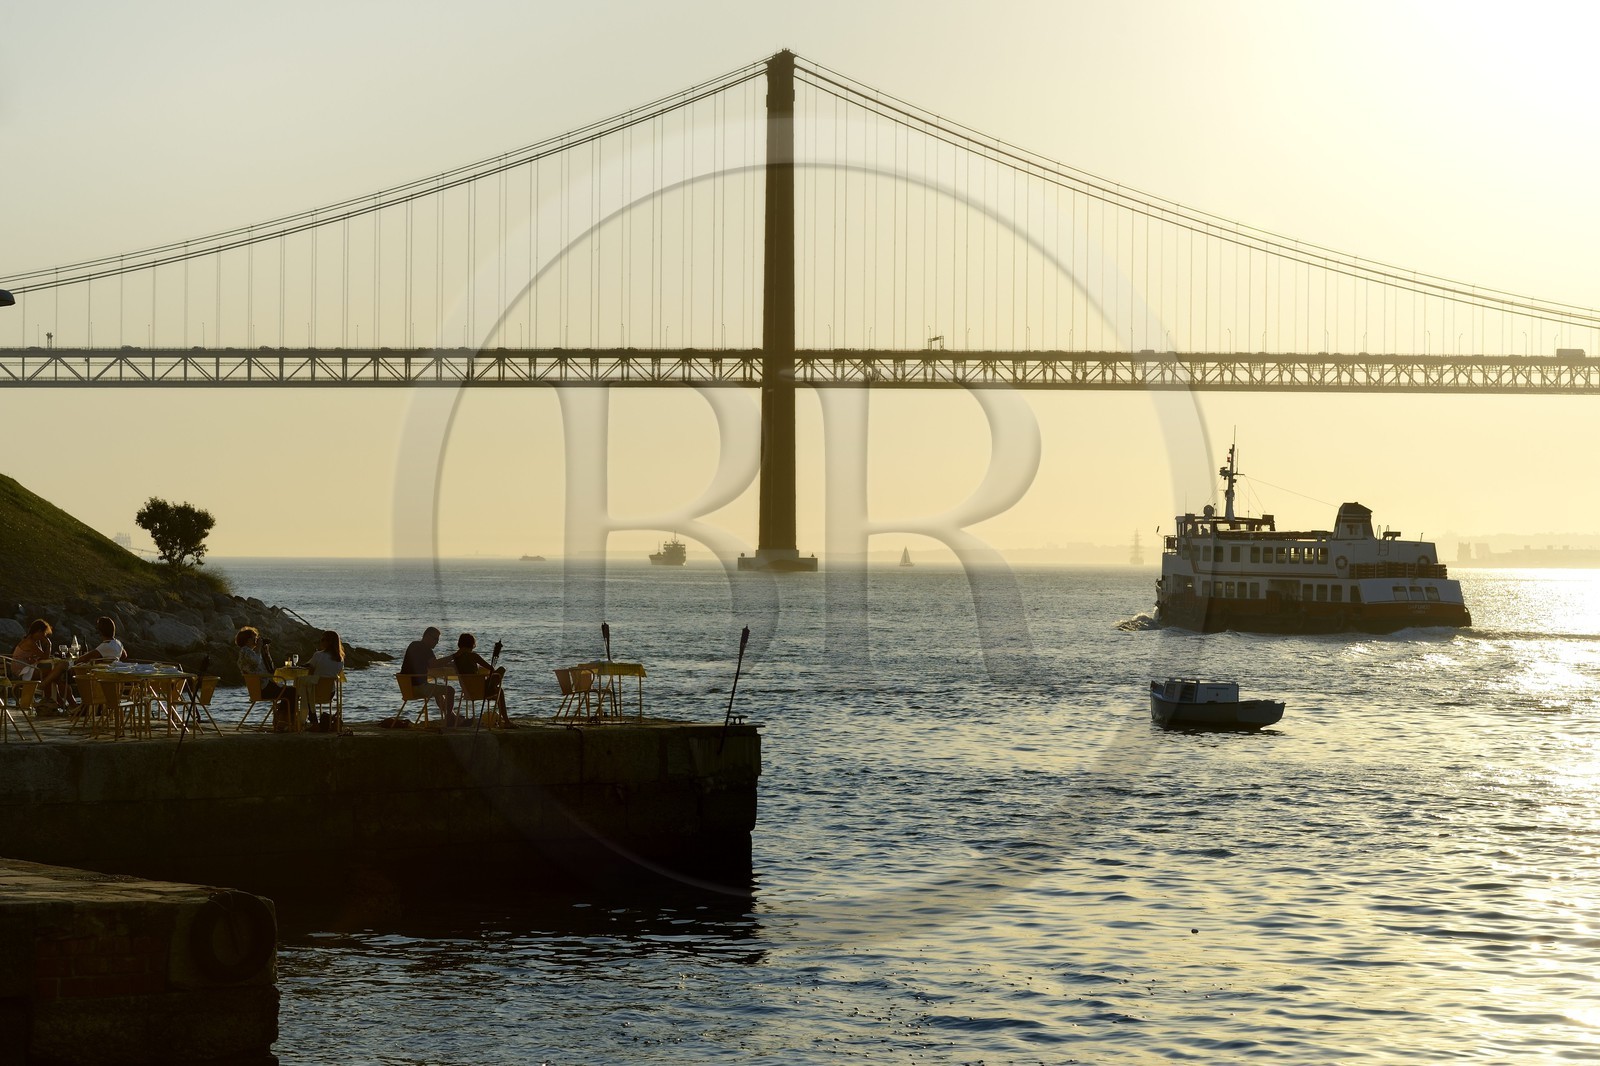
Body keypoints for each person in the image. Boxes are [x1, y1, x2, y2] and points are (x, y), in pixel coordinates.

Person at [235, 625, 296, 729]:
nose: (256, 640)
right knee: (292, 692)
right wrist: (258, 648)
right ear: (248, 640)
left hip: (264, 686)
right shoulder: (245, 651)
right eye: (254, 638)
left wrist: (266, 652)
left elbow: (271, 669)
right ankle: (286, 721)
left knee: (289, 691)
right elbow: (256, 662)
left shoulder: (251, 652)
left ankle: (281, 718)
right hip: (262, 688)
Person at [445, 632, 510, 726]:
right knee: (501, 672)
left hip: (467, 692)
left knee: (496, 688)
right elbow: (491, 669)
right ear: (472, 644)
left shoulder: (455, 659)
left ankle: (491, 688)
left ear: (459, 644)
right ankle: (507, 721)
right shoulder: (474, 656)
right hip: (481, 691)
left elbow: (452, 666)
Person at [11, 619, 75, 709]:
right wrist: (49, 644)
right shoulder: (30, 642)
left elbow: (41, 657)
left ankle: (58, 703)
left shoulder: (32, 641)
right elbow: (45, 657)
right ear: (39, 631)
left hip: (27, 668)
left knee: (54, 676)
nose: (44, 636)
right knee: (57, 671)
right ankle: (48, 692)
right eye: (44, 633)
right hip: (22, 671)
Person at [400, 626, 455, 723]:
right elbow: (434, 664)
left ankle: (453, 718)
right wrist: (453, 657)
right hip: (418, 688)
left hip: (408, 687)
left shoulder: (414, 645)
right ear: (427, 636)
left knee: (438, 693)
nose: (437, 642)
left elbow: (429, 664)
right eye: (435, 639)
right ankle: (450, 719)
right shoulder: (426, 649)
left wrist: (446, 663)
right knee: (450, 690)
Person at [306, 630, 345, 731]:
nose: (321, 642)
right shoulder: (340, 660)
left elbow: (310, 674)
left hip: (314, 692)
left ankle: (313, 722)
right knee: (308, 693)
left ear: (329, 642)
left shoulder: (318, 655)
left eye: (323, 640)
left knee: (302, 692)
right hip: (330, 693)